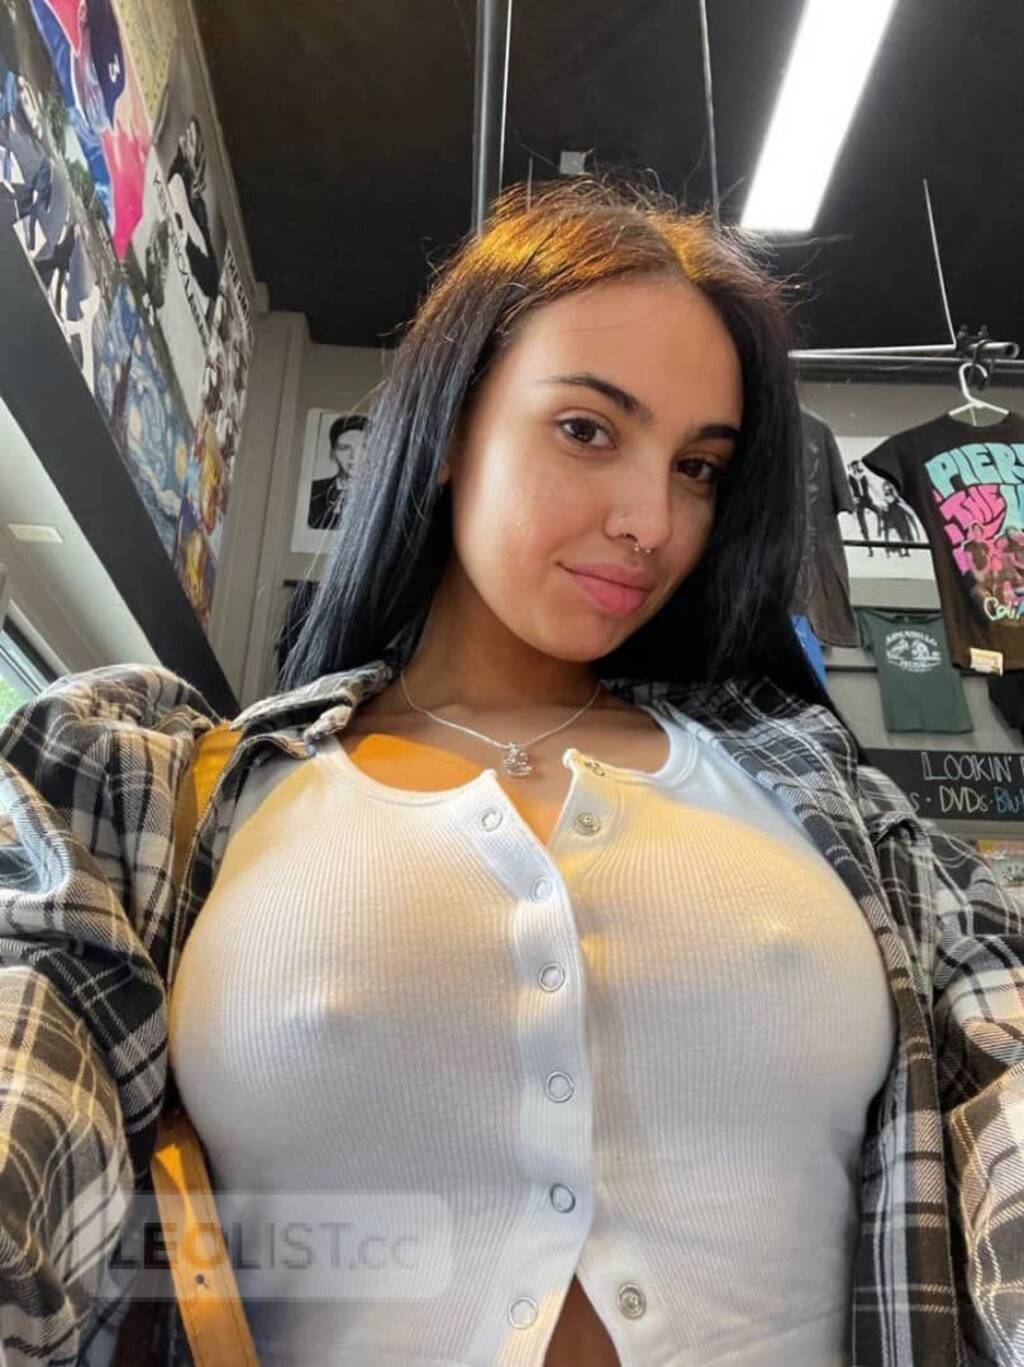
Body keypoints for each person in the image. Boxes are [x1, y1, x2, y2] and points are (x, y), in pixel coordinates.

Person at [0, 177, 1020, 1367]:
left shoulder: (838, 811)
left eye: (698, 466)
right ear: (448, 428)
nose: (651, 519)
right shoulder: (151, 798)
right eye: (586, 428)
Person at [307, 414, 366, 530]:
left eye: (363, 447)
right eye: (344, 448)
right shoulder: (312, 491)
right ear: (332, 453)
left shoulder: (385, 496)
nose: (354, 456)